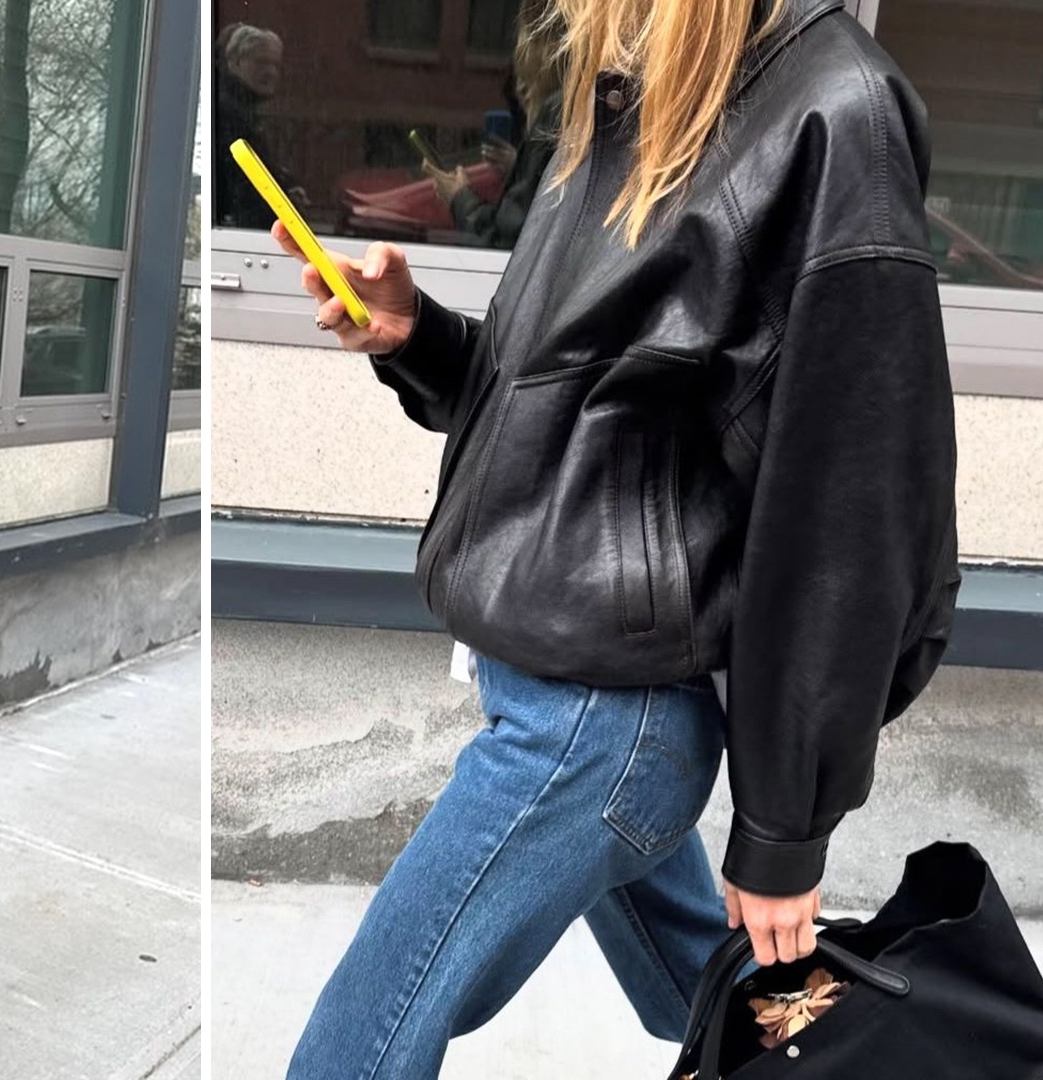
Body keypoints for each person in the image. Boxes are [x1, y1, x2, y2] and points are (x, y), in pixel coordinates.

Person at [275, 0, 959, 1075]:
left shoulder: (836, 111)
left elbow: (852, 511)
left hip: (597, 722)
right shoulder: (635, 89)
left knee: (354, 1048)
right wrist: (421, 339)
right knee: (748, 1008)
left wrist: (783, 830)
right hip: (577, 694)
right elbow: (579, 416)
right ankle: (908, 1053)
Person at [428, 0, 567, 250]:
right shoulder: (588, 111)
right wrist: (519, 166)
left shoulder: (556, 115)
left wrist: (460, 198)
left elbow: (504, 244)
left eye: (524, 80)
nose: (520, 90)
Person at [215, 22, 301, 228]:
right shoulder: (228, 114)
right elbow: (246, 190)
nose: (271, 71)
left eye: (275, 64)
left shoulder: (245, 110)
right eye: (261, 62)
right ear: (235, 62)